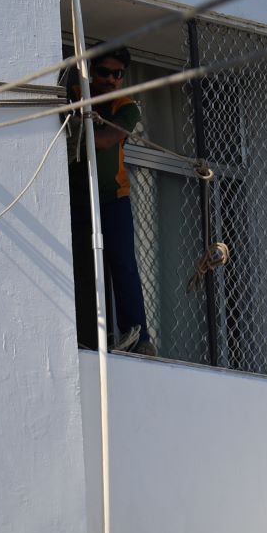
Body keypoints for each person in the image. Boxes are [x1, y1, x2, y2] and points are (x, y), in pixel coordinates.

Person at [71, 44, 153, 354]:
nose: (111, 80)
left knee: (123, 264)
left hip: (113, 197)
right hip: (77, 197)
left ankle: (139, 337)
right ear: (92, 71)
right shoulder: (73, 96)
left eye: (118, 74)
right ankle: (89, 336)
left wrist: (79, 124)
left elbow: (106, 141)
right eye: (105, 72)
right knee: (84, 266)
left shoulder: (126, 106)